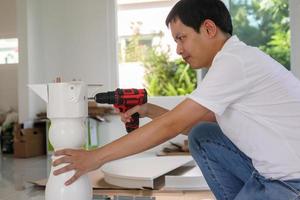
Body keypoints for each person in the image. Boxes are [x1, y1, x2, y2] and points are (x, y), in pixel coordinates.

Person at [53, 0, 300, 199]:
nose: (178, 50)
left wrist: (95, 157)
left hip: (291, 182)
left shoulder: (233, 62)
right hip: (270, 174)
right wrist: (148, 108)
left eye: (181, 38)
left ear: (209, 29)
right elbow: (199, 121)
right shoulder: (233, 61)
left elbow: (172, 126)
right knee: (202, 134)